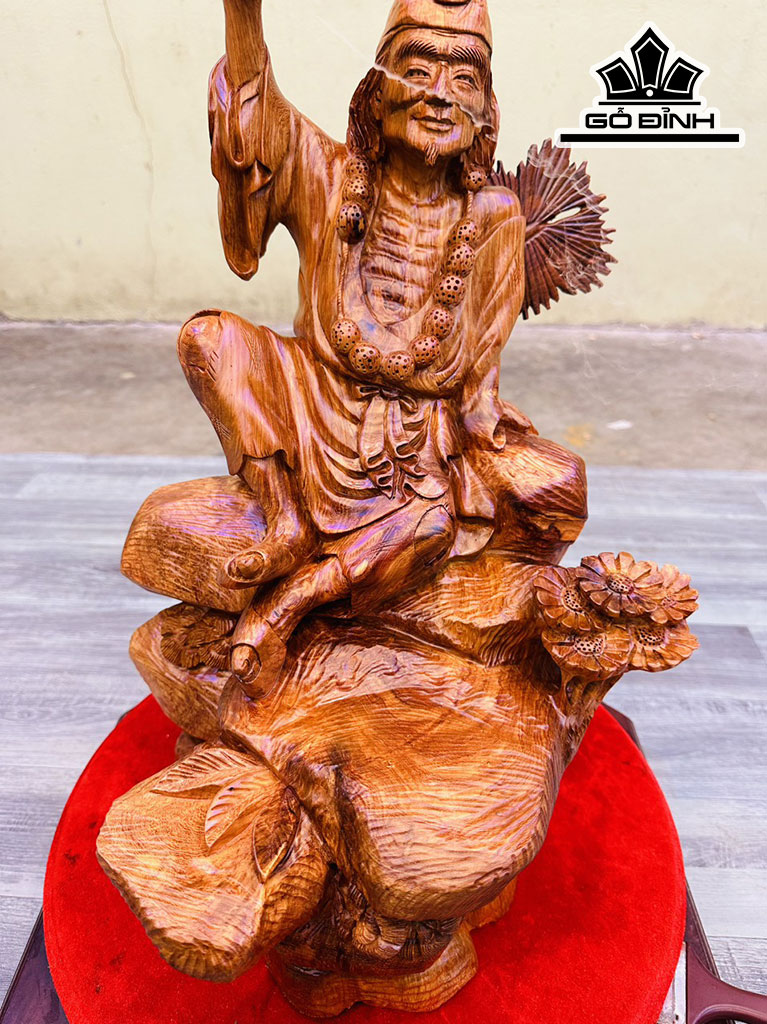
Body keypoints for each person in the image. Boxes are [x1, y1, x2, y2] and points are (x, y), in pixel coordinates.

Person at [177, 0, 580, 697]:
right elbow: (258, 122)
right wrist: (244, 16)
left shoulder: (495, 217)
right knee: (210, 339)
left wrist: (484, 420)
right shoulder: (332, 175)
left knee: (447, 519)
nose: (438, 94)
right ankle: (282, 515)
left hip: (414, 429)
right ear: (375, 94)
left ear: (485, 114)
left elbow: (482, 358)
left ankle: (289, 604)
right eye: (416, 72)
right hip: (312, 391)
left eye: (463, 80)